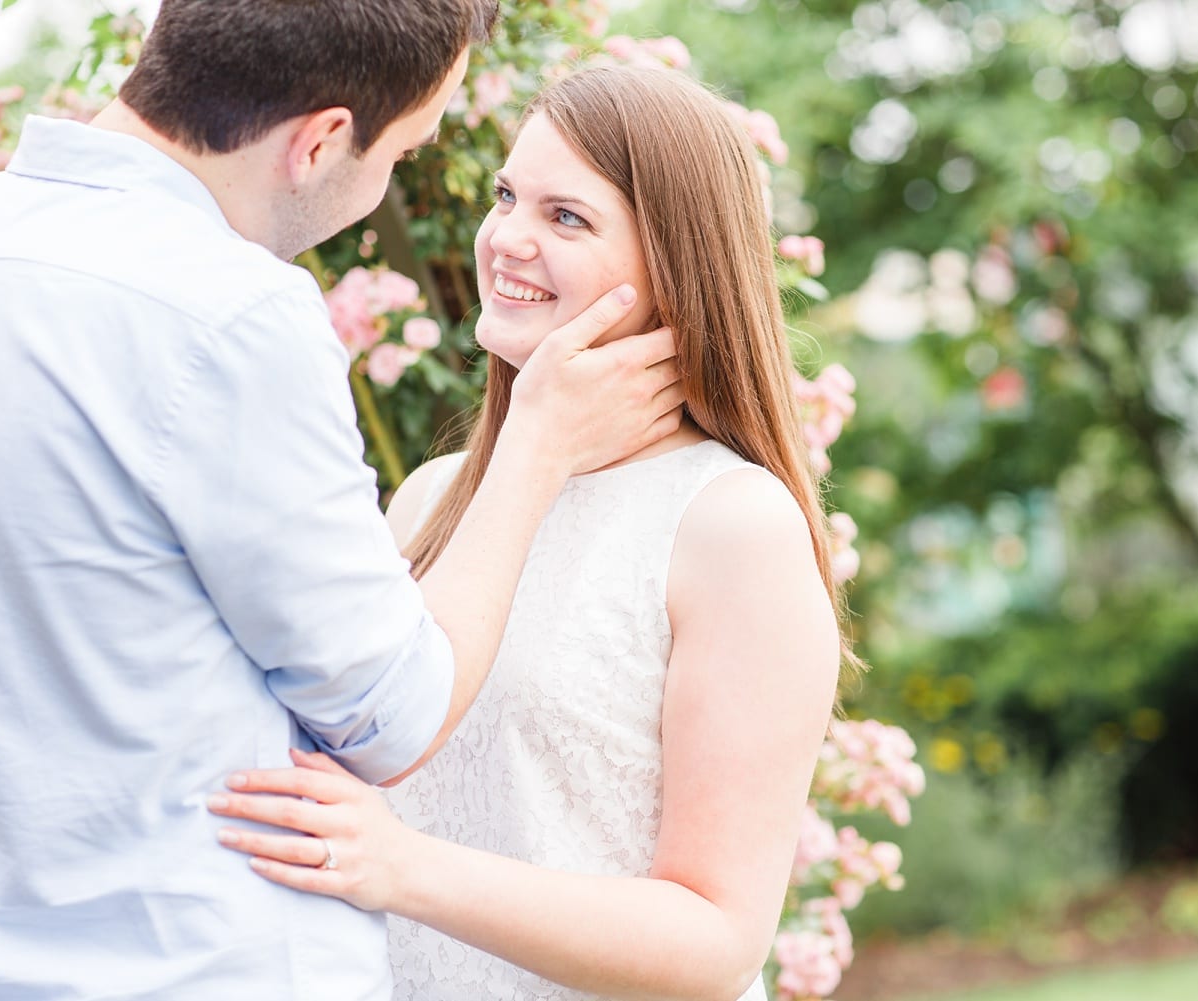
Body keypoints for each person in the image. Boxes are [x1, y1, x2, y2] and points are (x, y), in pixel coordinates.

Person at [0, 3, 684, 998]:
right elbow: (389, 715)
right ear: (322, 141)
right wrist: (538, 445)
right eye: (403, 154)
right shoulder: (227, 309)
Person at [208, 64, 847, 1001]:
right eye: (507, 196)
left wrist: (401, 867)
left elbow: (716, 937)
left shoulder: (731, 525)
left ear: (673, 263)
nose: (505, 237)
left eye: (566, 217)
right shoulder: (430, 500)